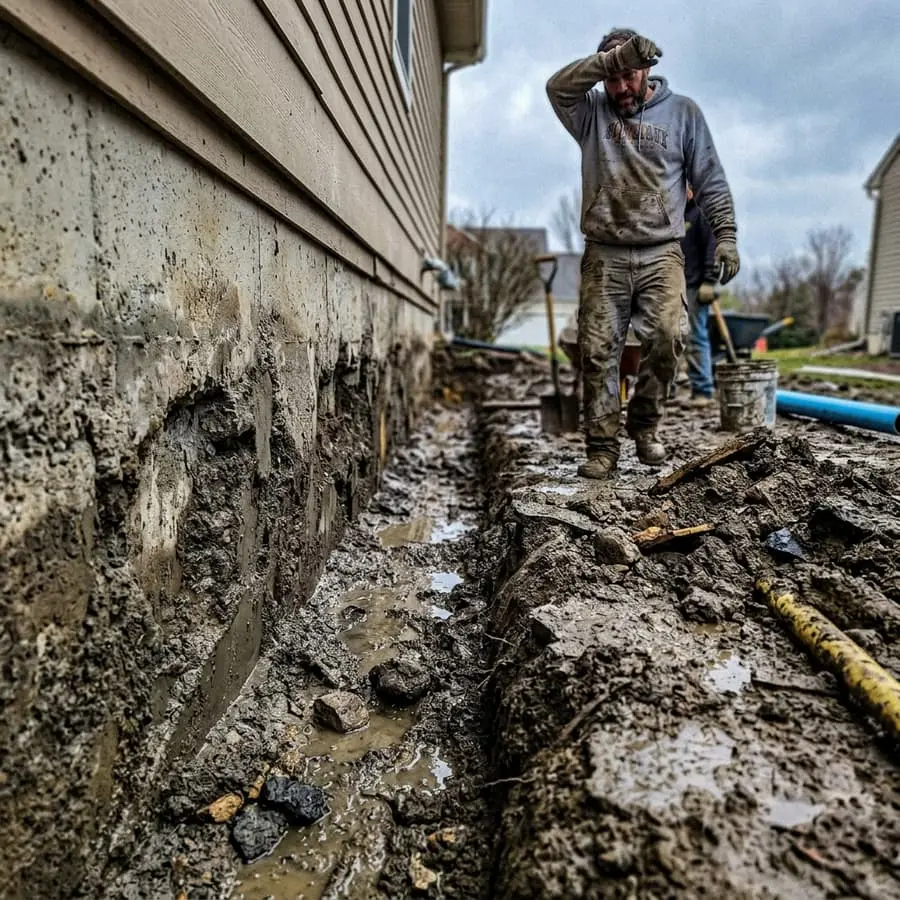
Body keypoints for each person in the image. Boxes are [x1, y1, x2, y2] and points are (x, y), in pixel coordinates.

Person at [546, 29, 739, 479]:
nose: (620, 89)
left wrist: (726, 234)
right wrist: (611, 61)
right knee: (597, 350)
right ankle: (601, 447)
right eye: (611, 79)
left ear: (647, 71)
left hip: (661, 252)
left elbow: (709, 179)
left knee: (668, 339)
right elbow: (555, 86)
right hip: (604, 253)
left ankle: (645, 424)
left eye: (629, 76)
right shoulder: (589, 112)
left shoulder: (683, 114)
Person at [681, 185, 719, 405]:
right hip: (673, 286)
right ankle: (675, 388)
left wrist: (710, 281)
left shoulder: (702, 213)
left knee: (696, 338)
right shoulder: (675, 215)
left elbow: (712, 247)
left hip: (695, 286)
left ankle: (703, 390)